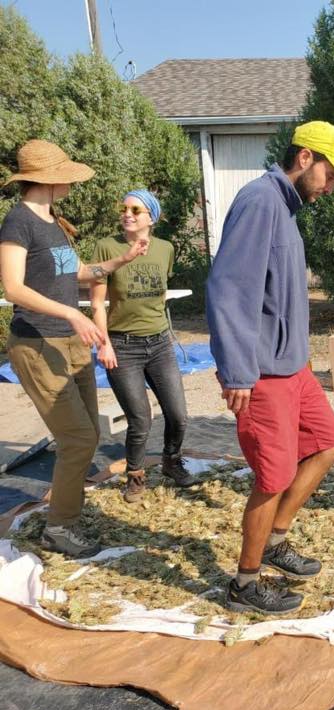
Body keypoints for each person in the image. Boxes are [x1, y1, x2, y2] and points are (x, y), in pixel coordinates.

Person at [206, 121, 334, 614]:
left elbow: (280, 297)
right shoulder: (259, 202)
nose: (333, 186)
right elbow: (229, 290)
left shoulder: (286, 210)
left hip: (292, 368)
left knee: (330, 443)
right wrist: (236, 372)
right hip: (262, 375)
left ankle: (275, 542)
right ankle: (244, 585)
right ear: (305, 159)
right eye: (332, 175)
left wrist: (305, 358)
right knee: (272, 478)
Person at [0, 140, 147, 557]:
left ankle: (68, 514)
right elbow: (13, 287)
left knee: (89, 434)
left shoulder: (51, 222)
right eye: (65, 174)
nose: (71, 181)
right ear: (49, 179)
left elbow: (76, 272)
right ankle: (59, 528)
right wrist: (73, 315)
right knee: (79, 438)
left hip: (69, 343)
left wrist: (121, 261)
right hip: (38, 343)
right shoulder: (17, 223)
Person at [90, 189, 198, 504]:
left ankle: (171, 461)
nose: (127, 214)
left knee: (178, 414)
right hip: (123, 346)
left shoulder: (165, 249)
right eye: (124, 208)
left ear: (151, 217)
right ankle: (136, 477)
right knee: (140, 419)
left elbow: (159, 294)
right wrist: (104, 345)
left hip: (160, 343)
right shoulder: (106, 247)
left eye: (136, 210)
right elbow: (97, 304)